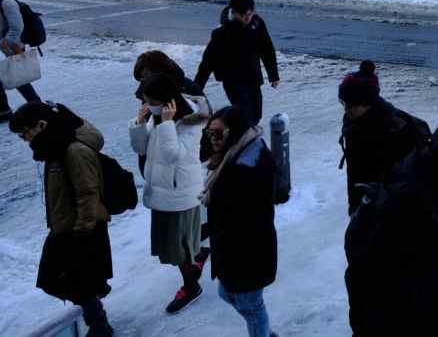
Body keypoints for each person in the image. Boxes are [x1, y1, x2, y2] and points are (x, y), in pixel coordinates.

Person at [345, 114, 438, 336]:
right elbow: (430, 281)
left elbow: (428, 216)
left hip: (387, 274)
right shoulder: (413, 194)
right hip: (382, 288)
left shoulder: (427, 165)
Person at [10, 103, 114, 336]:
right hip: (65, 226)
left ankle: (99, 323)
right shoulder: (54, 147)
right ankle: (96, 305)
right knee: (57, 279)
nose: (25, 139)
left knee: (65, 279)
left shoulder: (73, 150)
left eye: (25, 133)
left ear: (41, 125)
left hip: (81, 229)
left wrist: (82, 232)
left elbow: (88, 192)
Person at [129, 74, 209, 314]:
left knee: (177, 249)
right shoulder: (158, 117)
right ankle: (198, 255)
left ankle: (191, 286)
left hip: (179, 195)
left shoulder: (191, 121)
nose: (147, 105)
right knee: (175, 246)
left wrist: (165, 124)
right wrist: (139, 125)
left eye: (150, 100)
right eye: (145, 100)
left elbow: (175, 155)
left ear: (167, 100)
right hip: (163, 192)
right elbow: (141, 149)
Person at [202, 105, 279, 337]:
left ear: (234, 132)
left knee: (252, 307)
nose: (213, 139)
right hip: (236, 250)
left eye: (218, 133)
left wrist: (208, 231)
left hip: (247, 252)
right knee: (227, 295)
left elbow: (241, 216)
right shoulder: (238, 153)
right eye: (209, 133)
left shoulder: (245, 168)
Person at [338, 60, 429, 216]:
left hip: (391, 213)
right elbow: (354, 171)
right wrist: (354, 208)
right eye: (343, 103)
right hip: (364, 204)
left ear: (368, 104)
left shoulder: (397, 130)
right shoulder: (354, 123)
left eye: (351, 105)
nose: (346, 110)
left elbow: (404, 182)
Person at [195, 0, 280, 126]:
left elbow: (267, 49)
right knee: (245, 114)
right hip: (233, 80)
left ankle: (240, 131)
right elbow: (208, 62)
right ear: (234, 13)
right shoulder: (222, 32)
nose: (248, 18)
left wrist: (273, 75)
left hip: (253, 76)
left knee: (256, 115)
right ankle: (239, 139)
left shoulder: (256, 23)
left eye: (250, 14)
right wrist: (197, 89)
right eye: (244, 15)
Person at [0, 0, 42, 121]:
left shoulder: (7, 2)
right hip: (5, 42)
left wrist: (6, 40)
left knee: (20, 78)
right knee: (18, 78)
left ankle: (37, 105)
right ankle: (4, 110)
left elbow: (17, 26)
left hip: (14, 44)